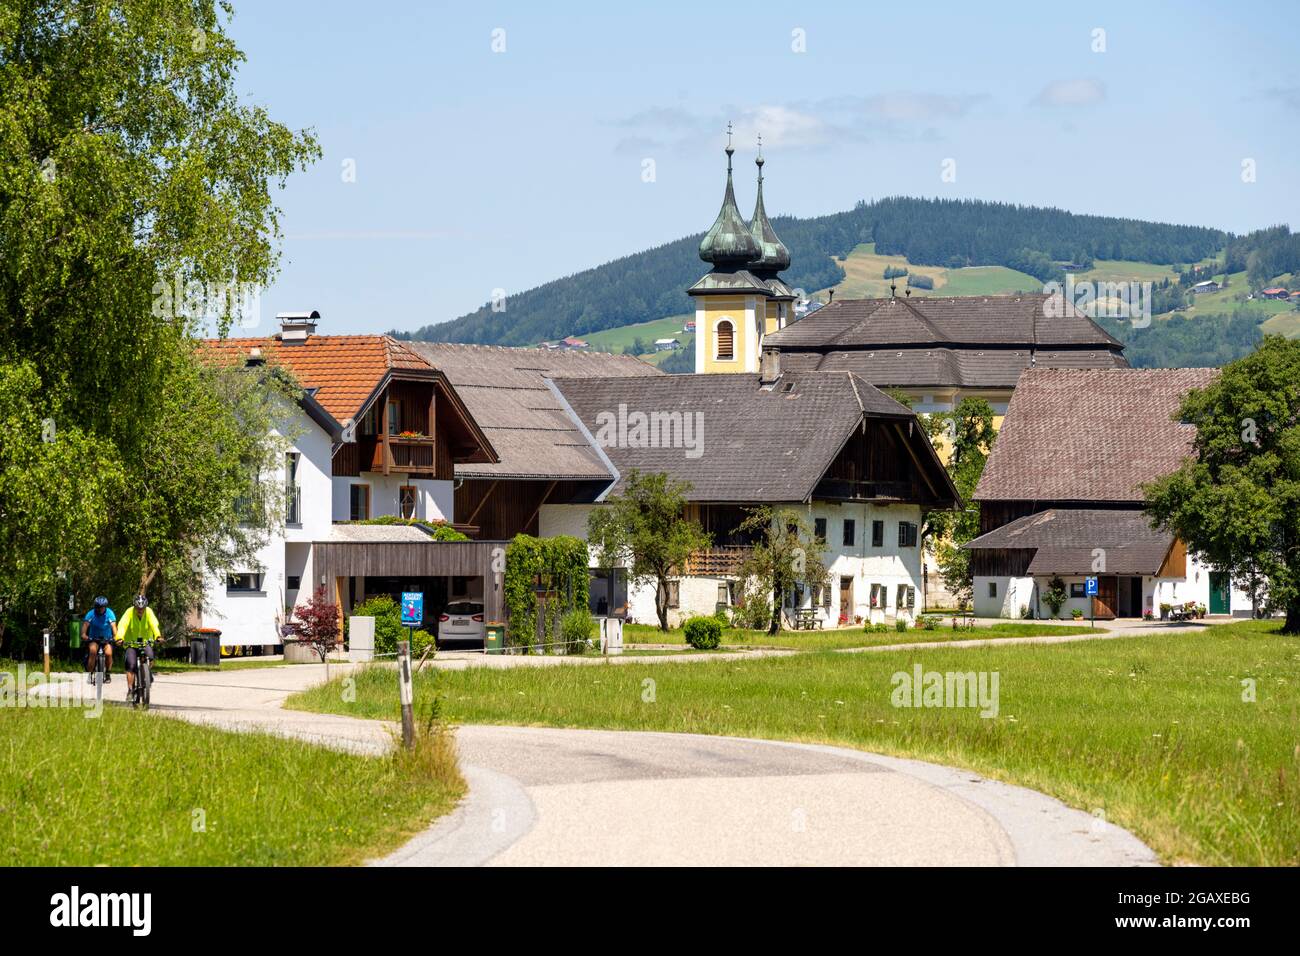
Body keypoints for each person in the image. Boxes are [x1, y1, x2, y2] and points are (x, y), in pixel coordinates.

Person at [117, 594, 162, 698]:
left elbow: (154, 625)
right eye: (138, 608)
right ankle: (130, 690)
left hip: (145, 642)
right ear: (134, 607)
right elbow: (122, 625)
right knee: (131, 665)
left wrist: (158, 636)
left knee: (150, 657)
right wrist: (119, 638)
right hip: (131, 643)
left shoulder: (149, 612)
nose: (140, 610)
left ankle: (146, 673)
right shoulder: (129, 612)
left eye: (142, 608)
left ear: (145, 607)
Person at [82, 596, 117, 683]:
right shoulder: (91, 614)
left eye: (102, 607)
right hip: (94, 639)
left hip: (106, 639)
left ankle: (108, 673)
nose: (100, 609)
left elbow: (113, 626)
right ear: (95, 606)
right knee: (93, 651)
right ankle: (90, 674)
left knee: (109, 653)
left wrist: (116, 637)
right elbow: (85, 626)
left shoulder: (110, 613)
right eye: (98, 607)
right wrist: (84, 635)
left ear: (105, 607)